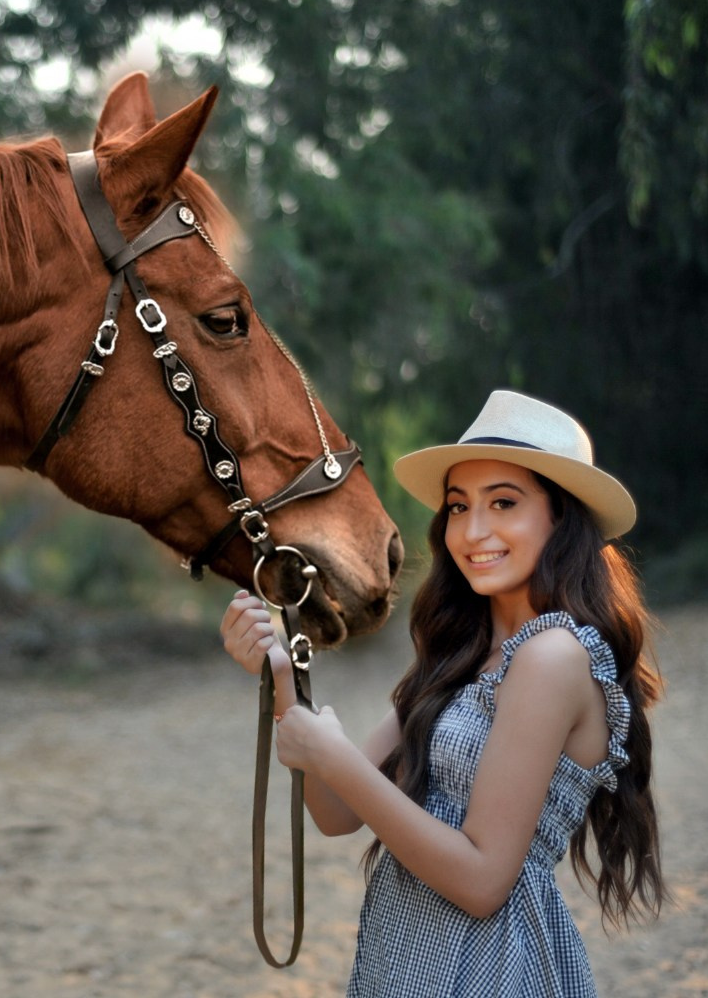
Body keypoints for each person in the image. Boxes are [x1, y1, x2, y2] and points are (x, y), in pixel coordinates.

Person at [221, 389, 664, 997]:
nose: (473, 530)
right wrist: (280, 676)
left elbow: (484, 882)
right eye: (459, 507)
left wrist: (332, 754)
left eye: (503, 502)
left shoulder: (553, 656)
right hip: (405, 958)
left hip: (489, 969)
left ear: (563, 517)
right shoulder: (464, 655)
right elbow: (336, 811)